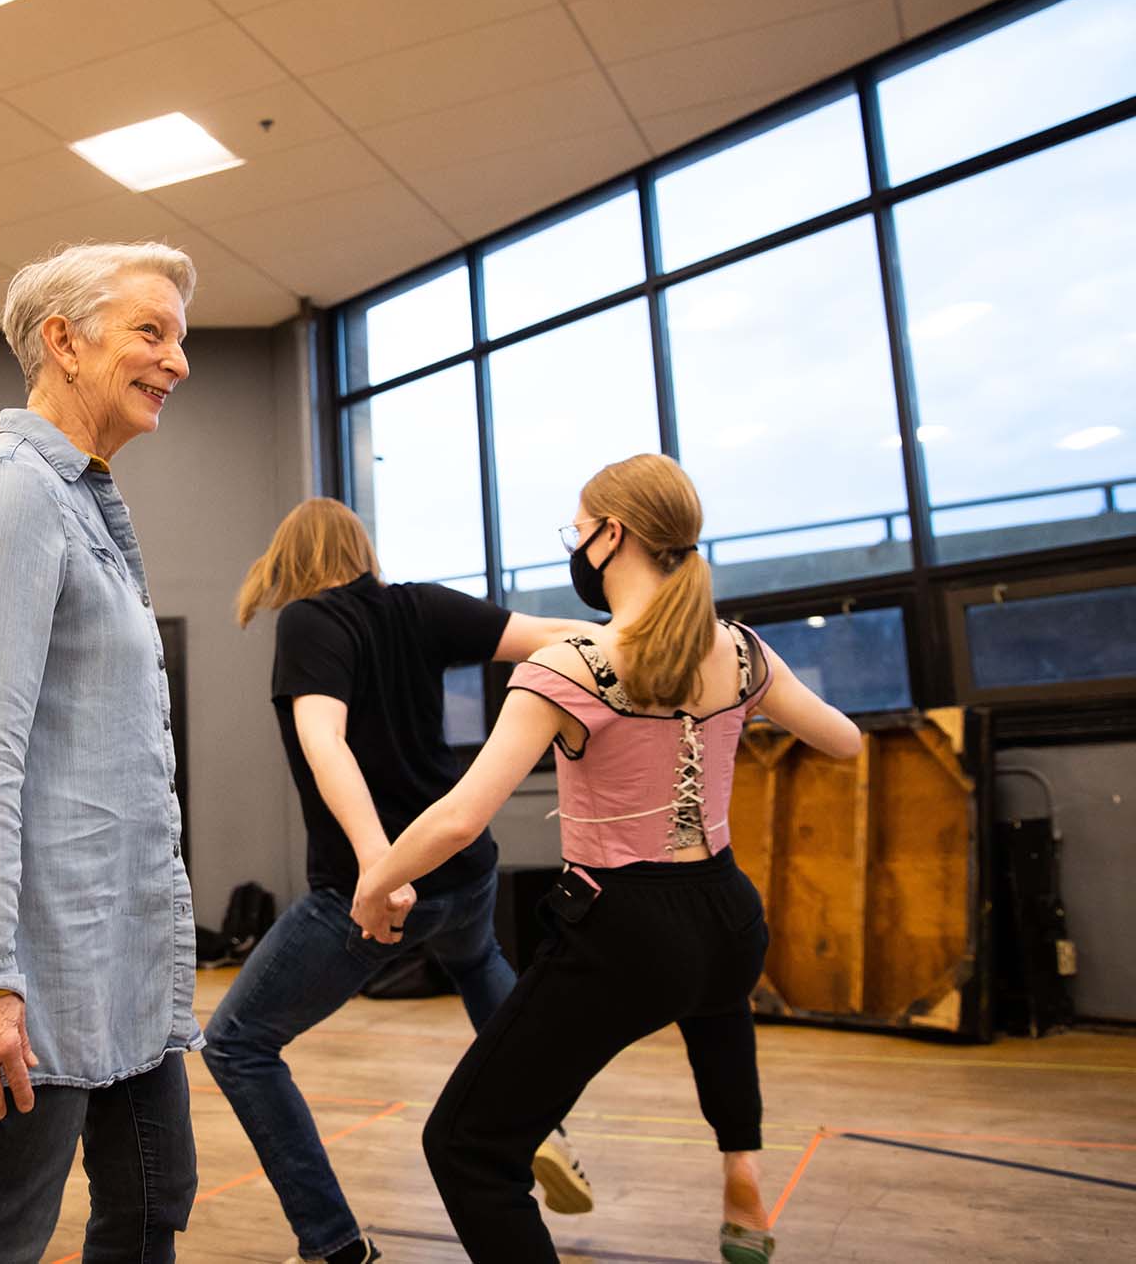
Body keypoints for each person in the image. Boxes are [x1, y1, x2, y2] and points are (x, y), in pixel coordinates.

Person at [349, 454, 862, 1264]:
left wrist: (375, 881)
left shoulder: (571, 666)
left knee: (467, 1146)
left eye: (577, 531)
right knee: (717, 1000)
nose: (576, 544)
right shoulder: (743, 650)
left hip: (625, 931)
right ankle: (742, 1168)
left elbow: (459, 817)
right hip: (730, 915)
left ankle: (733, 1167)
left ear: (611, 535)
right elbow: (844, 738)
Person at [0, 243, 201, 1262]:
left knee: (154, 1200)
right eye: (151, 332)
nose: (177, 360)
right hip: (39, 965)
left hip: (123, 964)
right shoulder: (11, 493)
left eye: (180, 338)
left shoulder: (82, 501)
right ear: (62, 343)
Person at [209, 497, 601, 1264]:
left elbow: (325, 745)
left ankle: (332, 1246)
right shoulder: (419, 607)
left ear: (292, 560)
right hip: (467, 873)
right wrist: (665, 632)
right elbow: (559, 636)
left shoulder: (309, 622)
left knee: (236, 1043)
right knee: (477, 958)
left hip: (380, 891)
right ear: (360, 551)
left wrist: (378, 867)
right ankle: (545, 1128)